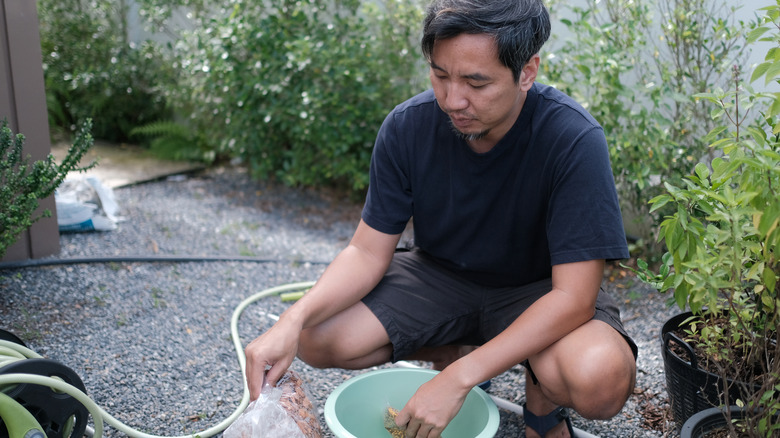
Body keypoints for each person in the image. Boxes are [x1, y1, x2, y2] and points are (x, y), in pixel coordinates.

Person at [245, 0, 638, 436]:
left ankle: (539, 396)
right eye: (440, 75)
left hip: (537, 290)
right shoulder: (406, 127)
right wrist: (291, 321)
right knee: (316, 336)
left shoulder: (572, 139)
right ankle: (460, 347)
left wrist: (457, 379)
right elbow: (365, 251)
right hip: (440, 278)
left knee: (601, 379)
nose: (454, 100)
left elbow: (573, 298)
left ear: (526, 72)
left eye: (476, 82)